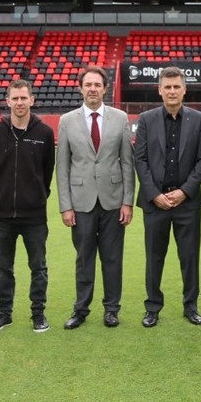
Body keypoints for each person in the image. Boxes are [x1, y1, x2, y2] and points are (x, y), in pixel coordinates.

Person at [57, 66, 136, 329]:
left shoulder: (120, 118)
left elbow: (127, 163)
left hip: (113, 201)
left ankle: (112, 309)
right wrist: (66, 206)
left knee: (112, 259)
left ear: (105, 89)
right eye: (88, 85)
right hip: (81, 202)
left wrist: (127, 201)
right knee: (84, 258)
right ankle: (81, 309)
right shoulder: (67, 120)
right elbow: (62, 167)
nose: (92, 89)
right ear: (81, 88)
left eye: (97, 85)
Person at [133, 66, 201, 327]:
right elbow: (140, 160)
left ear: (184, 89)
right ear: (160, 90)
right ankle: (152, 307)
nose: (172, 91)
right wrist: (154, 194)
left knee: (189, 258)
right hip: (156, 203)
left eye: (177, 86)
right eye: (167, 87)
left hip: (187, 203)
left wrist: (185, 191)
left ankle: (191, 306)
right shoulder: (146, 119)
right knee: (154, 258)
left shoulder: (197, 119)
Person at [0, 80, 56, 333]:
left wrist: (37, 196)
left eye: (24, 98)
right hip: (2, 214)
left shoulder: (44, 133)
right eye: (15, 98)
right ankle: (4, 313)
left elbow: (47, 172)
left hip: (34, 215)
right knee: (4, 267)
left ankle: (38, 313)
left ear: (32, 100)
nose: (20, 103)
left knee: (38, 267)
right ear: (8, 101)